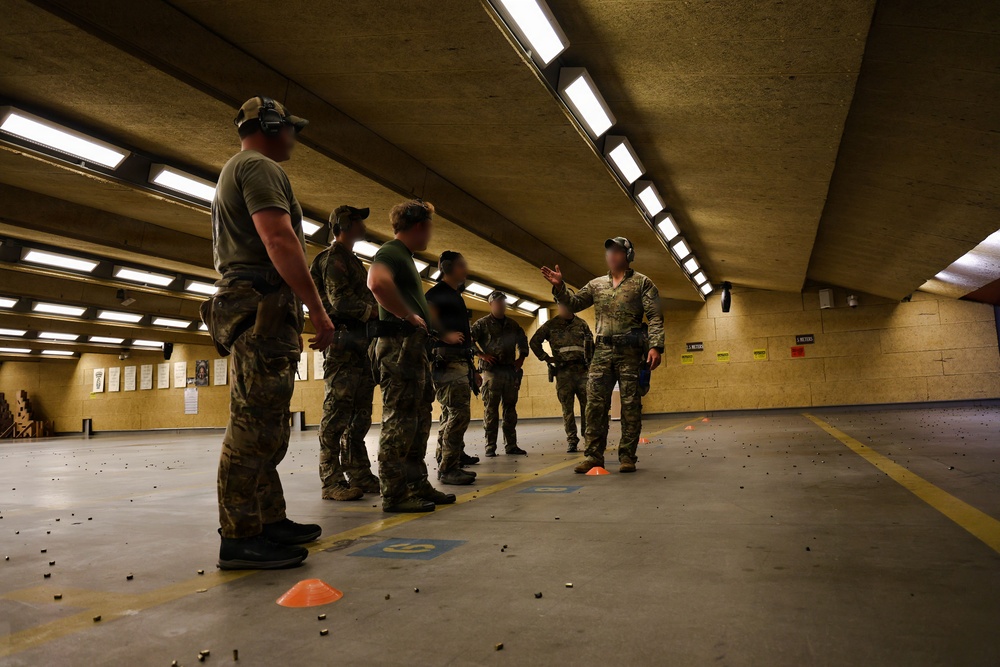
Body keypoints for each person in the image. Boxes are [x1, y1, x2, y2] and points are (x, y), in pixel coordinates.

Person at [203, 95, 336, 570]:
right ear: (271, 125)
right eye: (290, 127)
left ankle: (266, 520)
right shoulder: (258, 167)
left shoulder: (242, 168)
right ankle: (239, 537)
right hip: (261, 304)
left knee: (268, 425)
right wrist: (318, 311)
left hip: (262, 306)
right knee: (252, 425)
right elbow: (278, 239)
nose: (295, 136)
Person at [541, 237, 663, 474]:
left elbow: (655, 316)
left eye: (617, 251)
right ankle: (593, 456)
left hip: (630, 352)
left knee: (630, 405)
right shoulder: (596, 284)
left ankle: (627, 456)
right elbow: (574, 303)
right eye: (609, 251)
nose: (612, 255)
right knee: (594, 405)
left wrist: (655, 346)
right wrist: (560, 287)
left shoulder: (643, 283)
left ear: (628, 255)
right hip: (602, 351)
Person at [367, 200, 455, 512]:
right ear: (419, 227)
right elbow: (376, 282)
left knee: (418, 420)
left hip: (413, 349)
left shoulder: (405, 257)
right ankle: (393, 493)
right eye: (429, 226)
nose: (430, 233)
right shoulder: (391, 252)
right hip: (398, 347)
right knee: (399, 420)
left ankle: (416, 484)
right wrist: (407, 314)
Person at [309, 205, 382, 501]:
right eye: (357, 220)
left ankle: (358, 470)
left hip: (360, 346)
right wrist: (377, 312)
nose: (363, 224)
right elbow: (339, 302)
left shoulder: (351, 259)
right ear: (344, 224)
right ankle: (331, 479)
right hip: (342, 345)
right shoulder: (333, 258)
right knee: (337, 413)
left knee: (360, 414)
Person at [425, 251, 481, 485]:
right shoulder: (437, 294)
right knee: (458, 414)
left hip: (459, 362)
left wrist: (473, 370)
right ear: (448, 268)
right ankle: (448, 469)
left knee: (450, 414)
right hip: (446, 362)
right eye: (461, 265)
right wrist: (443, 335)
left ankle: (448, 458)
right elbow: (426, 321)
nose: (465, 269)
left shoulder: (455, 295)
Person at [529, 302, 594, 453]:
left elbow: (591, 347)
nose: (563, 307)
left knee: (588, 407)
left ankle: (588, 438)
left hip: (582, 372)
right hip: (563, 373)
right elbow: (534, 342)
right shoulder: (551, 325)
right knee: (567, 409)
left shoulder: (582, 324)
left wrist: (591, 366)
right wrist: (546, 357)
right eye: (560, 305)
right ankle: (572, 440)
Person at [471, 292, 528, 457]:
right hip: (491, 372)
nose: (500, 305)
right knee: (491, 410)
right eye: (497, 303)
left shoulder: (512, 324)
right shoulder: (482, 324)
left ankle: (511, 445)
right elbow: (469, 340)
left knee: (510, 409)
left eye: (503, 302)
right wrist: (481, 355)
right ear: (491, 304)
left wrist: (521, 358)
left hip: (509, 371)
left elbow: (522, 340)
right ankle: (490, 446)